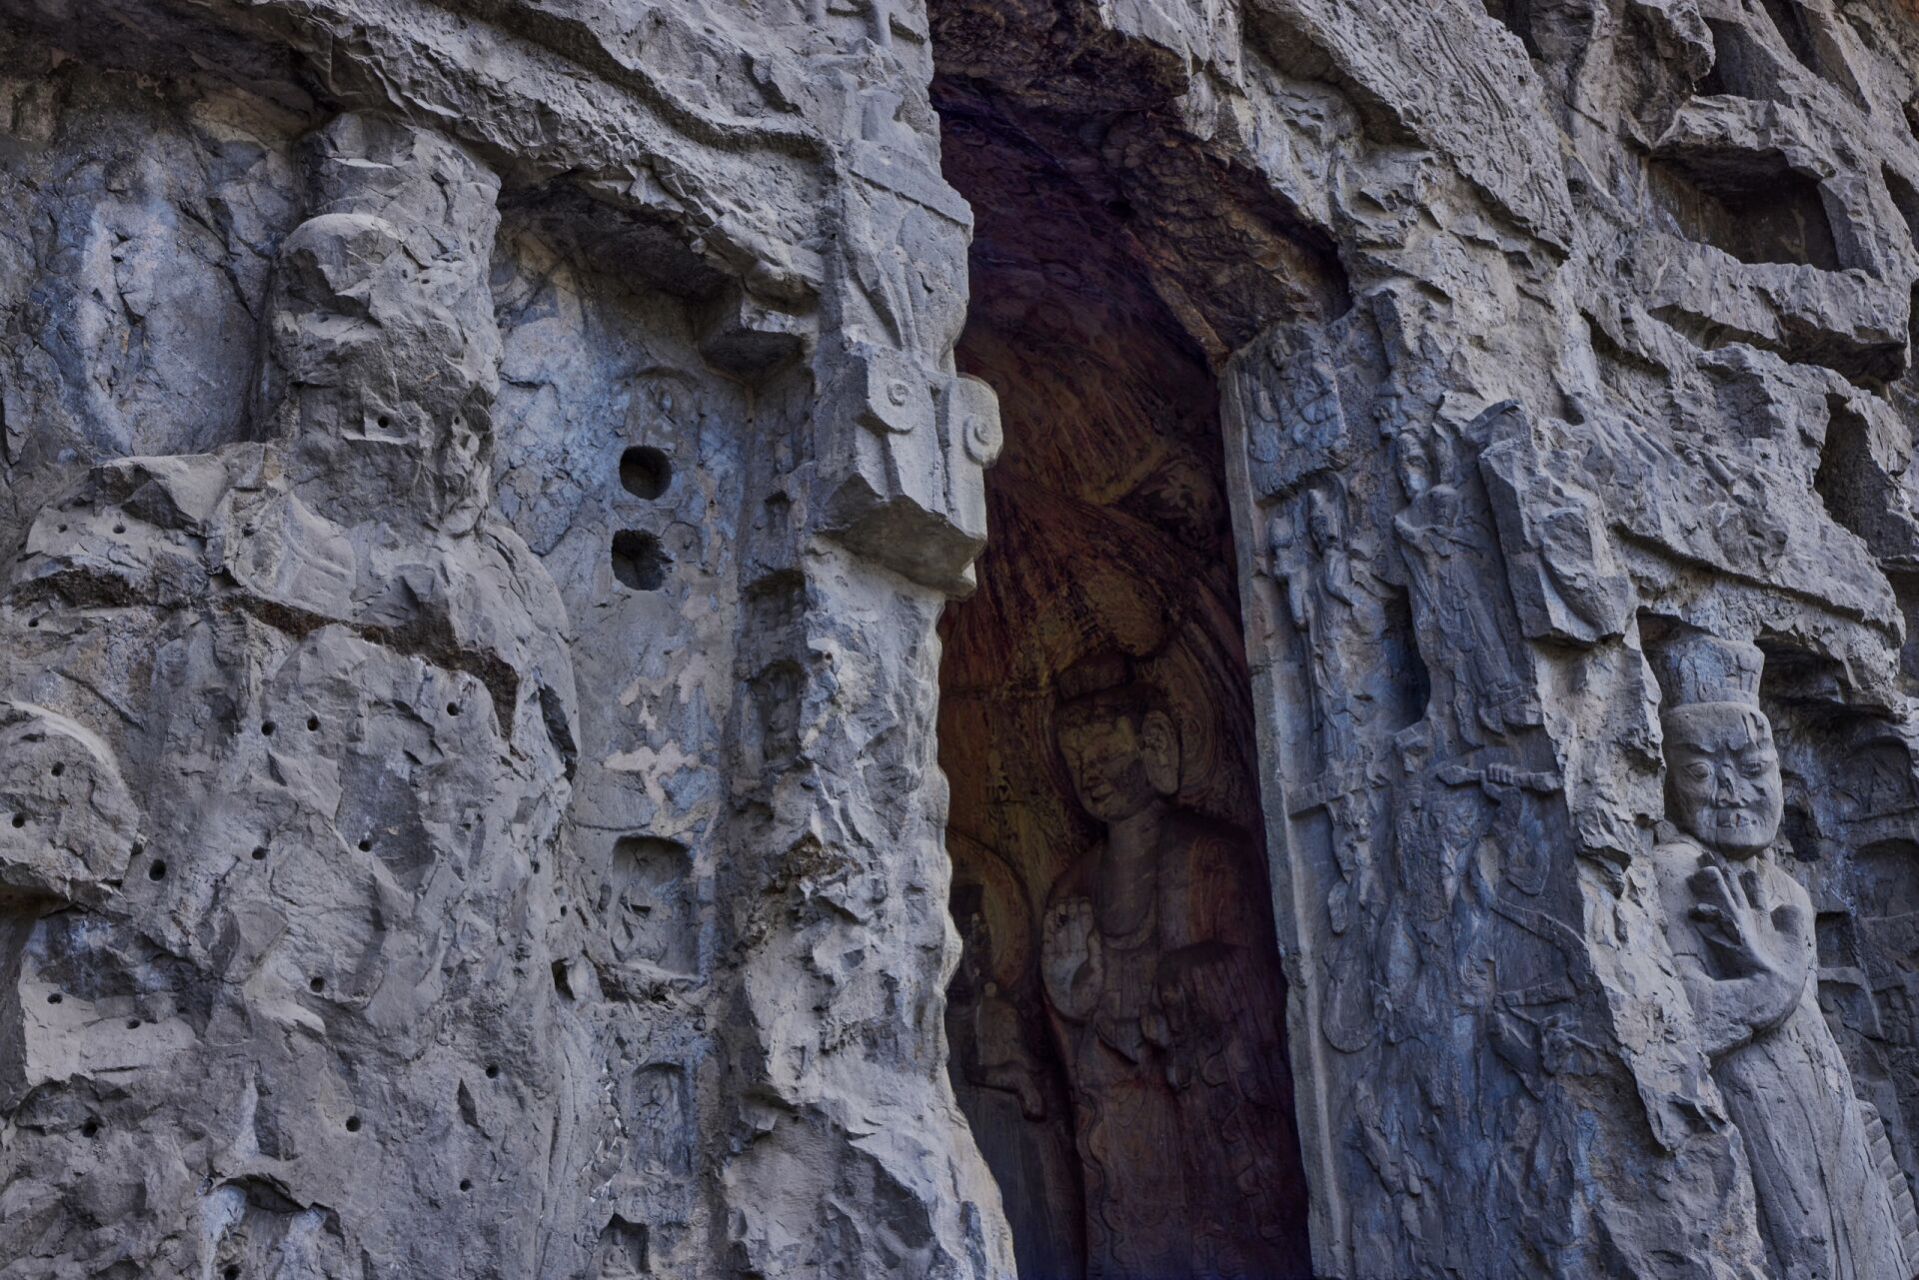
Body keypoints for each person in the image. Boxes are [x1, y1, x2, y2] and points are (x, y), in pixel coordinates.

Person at [1650, 634, 1910, 1280]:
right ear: (1669, 782)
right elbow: (1683, 1028)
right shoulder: (1672, 873)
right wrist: (1776, 983)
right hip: (1755, 1112)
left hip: (1828, 1115)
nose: (1732, 790)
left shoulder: (1785, 888)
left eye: (1751, 765)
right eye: (1703, 770)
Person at [1040, 653, 1306, 1279]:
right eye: (1079, 764)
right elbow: (1071, 1019)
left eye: (1105, 757)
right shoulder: (1074, 885)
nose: (1092, 776)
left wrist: (1184, 980)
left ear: (1156, 748)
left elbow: (1256, 981)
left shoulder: (1210, 853)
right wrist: (1071, 995)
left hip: (1203, 1104)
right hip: (1123, 1121)